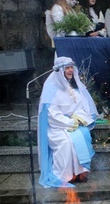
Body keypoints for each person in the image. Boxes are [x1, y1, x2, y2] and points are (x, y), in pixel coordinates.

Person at [38, 56, 98, 187]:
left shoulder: (75, 87)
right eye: (67, 68)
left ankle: (80, 173)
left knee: (82, 136)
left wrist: (79, 118)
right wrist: (69, 122)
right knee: (67, 143)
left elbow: (83, 107)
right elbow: (52, 114)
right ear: (60, 70)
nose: (70, 70)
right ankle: (66, 175)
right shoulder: (52, 89)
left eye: (71, 67)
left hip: (75, 123)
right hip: (58, 127)